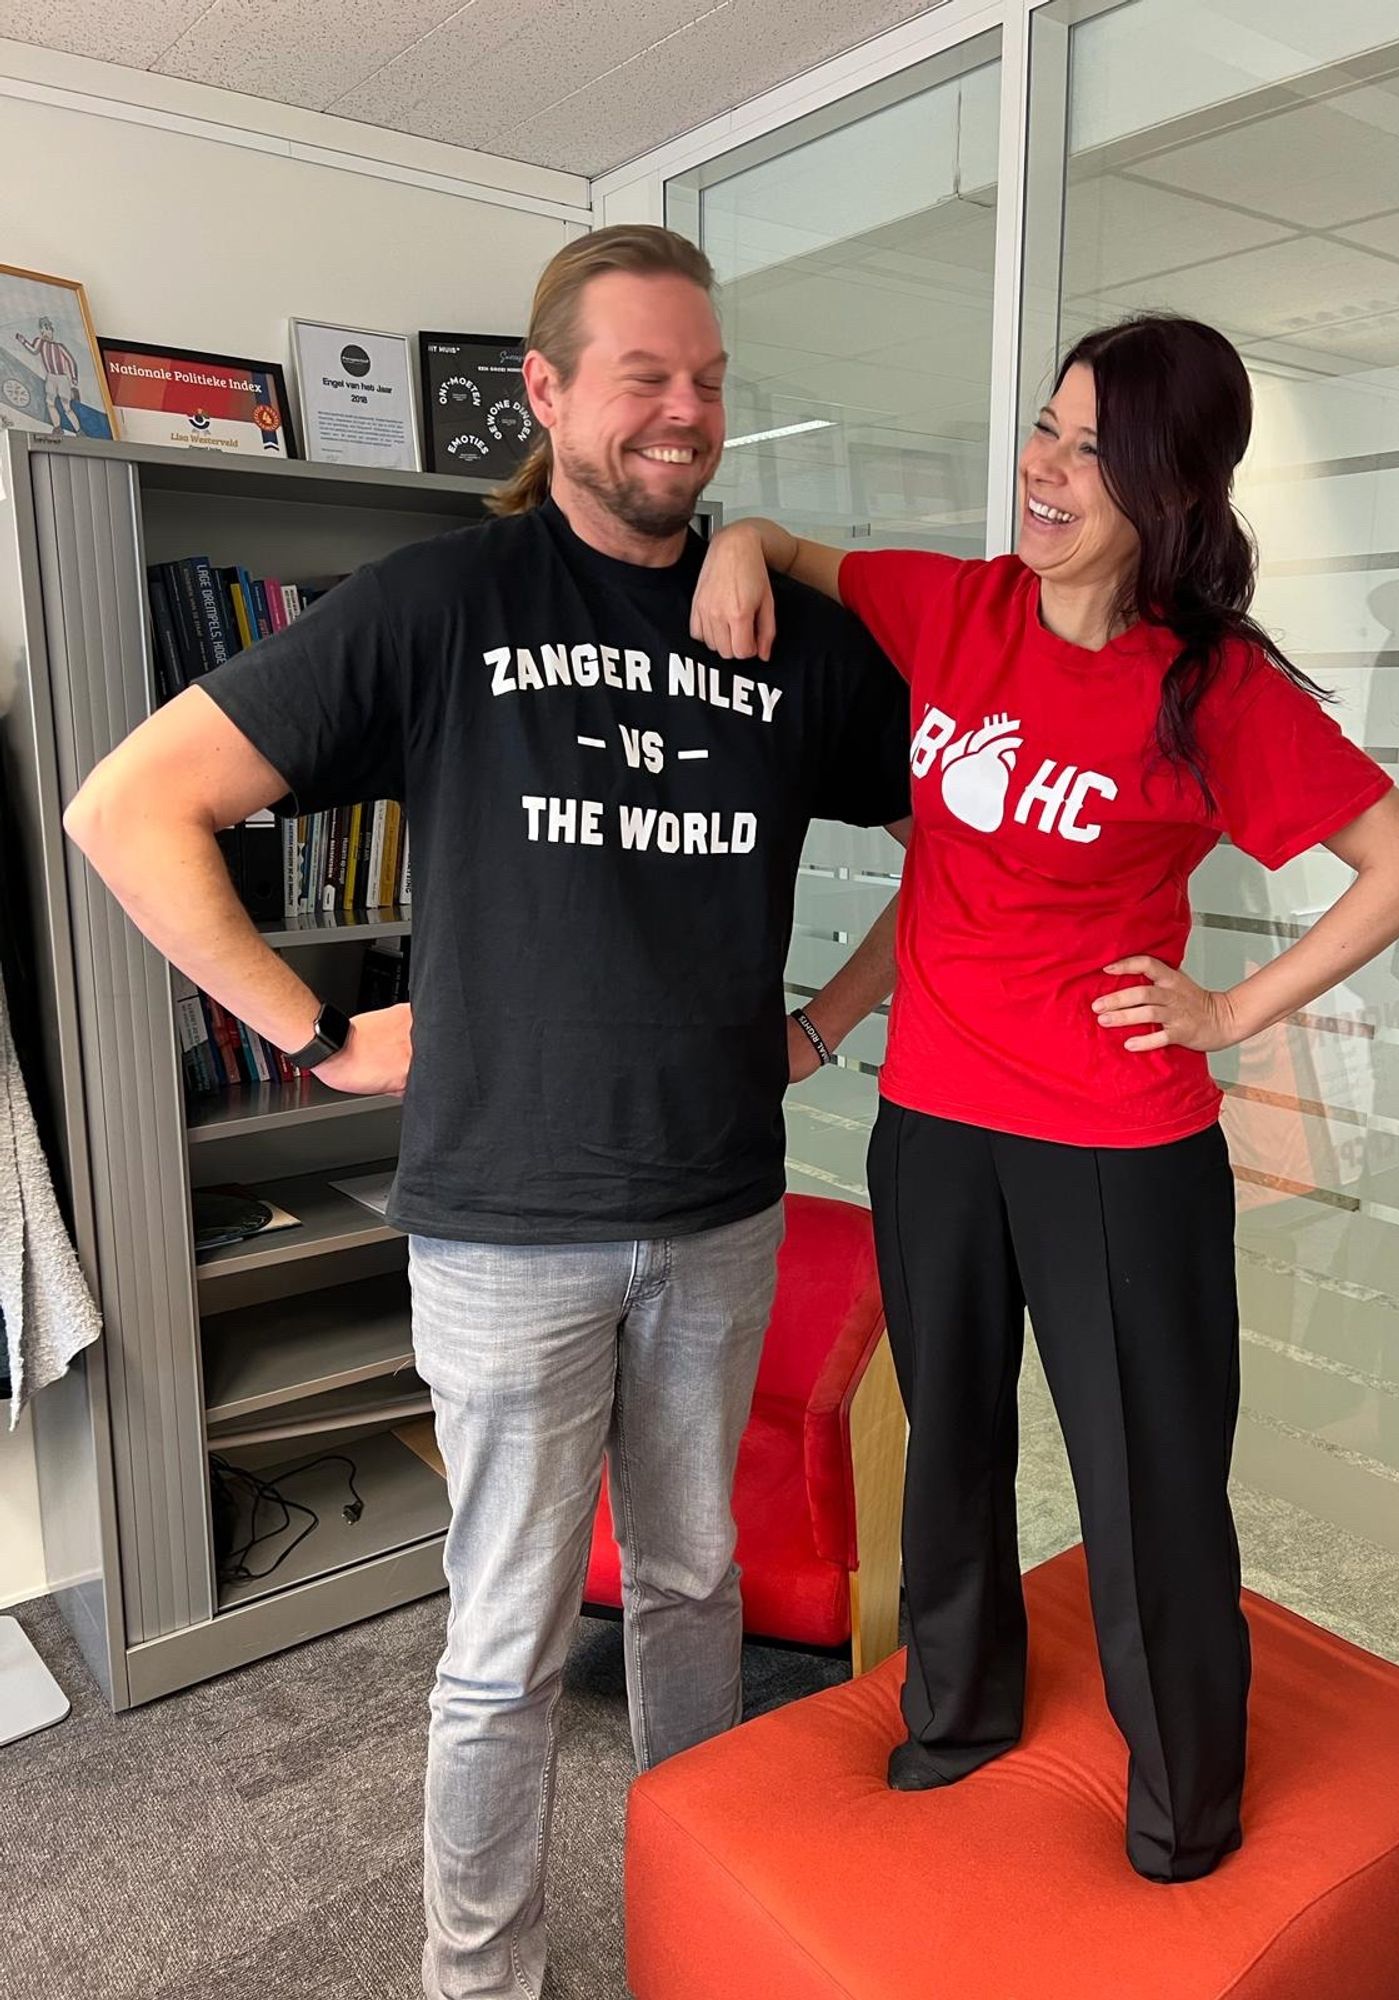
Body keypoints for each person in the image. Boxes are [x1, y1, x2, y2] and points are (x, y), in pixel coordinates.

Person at [63, 224, 912, 1996]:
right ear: (545, 392)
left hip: (719, 1207)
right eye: (642, 378)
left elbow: (974, 815)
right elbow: (130, 808)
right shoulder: (446, 607)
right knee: (507, 1644)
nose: (684, 413)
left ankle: (709, 1923)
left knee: (691, 1588)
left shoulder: (785, 635)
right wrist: (313, 1031)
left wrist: (825, 1024)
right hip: (508, 1229)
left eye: (708, 381)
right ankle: (480, 1982)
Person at [689, 313, 1399, 1885]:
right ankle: (957, 1722)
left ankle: (1183, 1812)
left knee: (1147, 1484)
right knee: (953, 1446)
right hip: (940, 1125)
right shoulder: (953, 606)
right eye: (1045, 428)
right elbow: (794, 545)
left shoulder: (1211, 686)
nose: (1043, 469)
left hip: (1118, 1145)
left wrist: (1232, 1009)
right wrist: (740, 546)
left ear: (1168, 483)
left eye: (1089, 446)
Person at [15, 316, 82, 435]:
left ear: (51, 330)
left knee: (66, 405)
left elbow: (71, 361)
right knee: (50, 401)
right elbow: (33, 349)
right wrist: (23, 341)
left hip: (62, 378)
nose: (44, 333)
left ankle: (78, 430)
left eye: (47, 329)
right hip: (50, 377)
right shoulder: (40, 342)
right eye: (42, 330)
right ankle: (57, 427)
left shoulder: (59, 346)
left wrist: (74, 378)